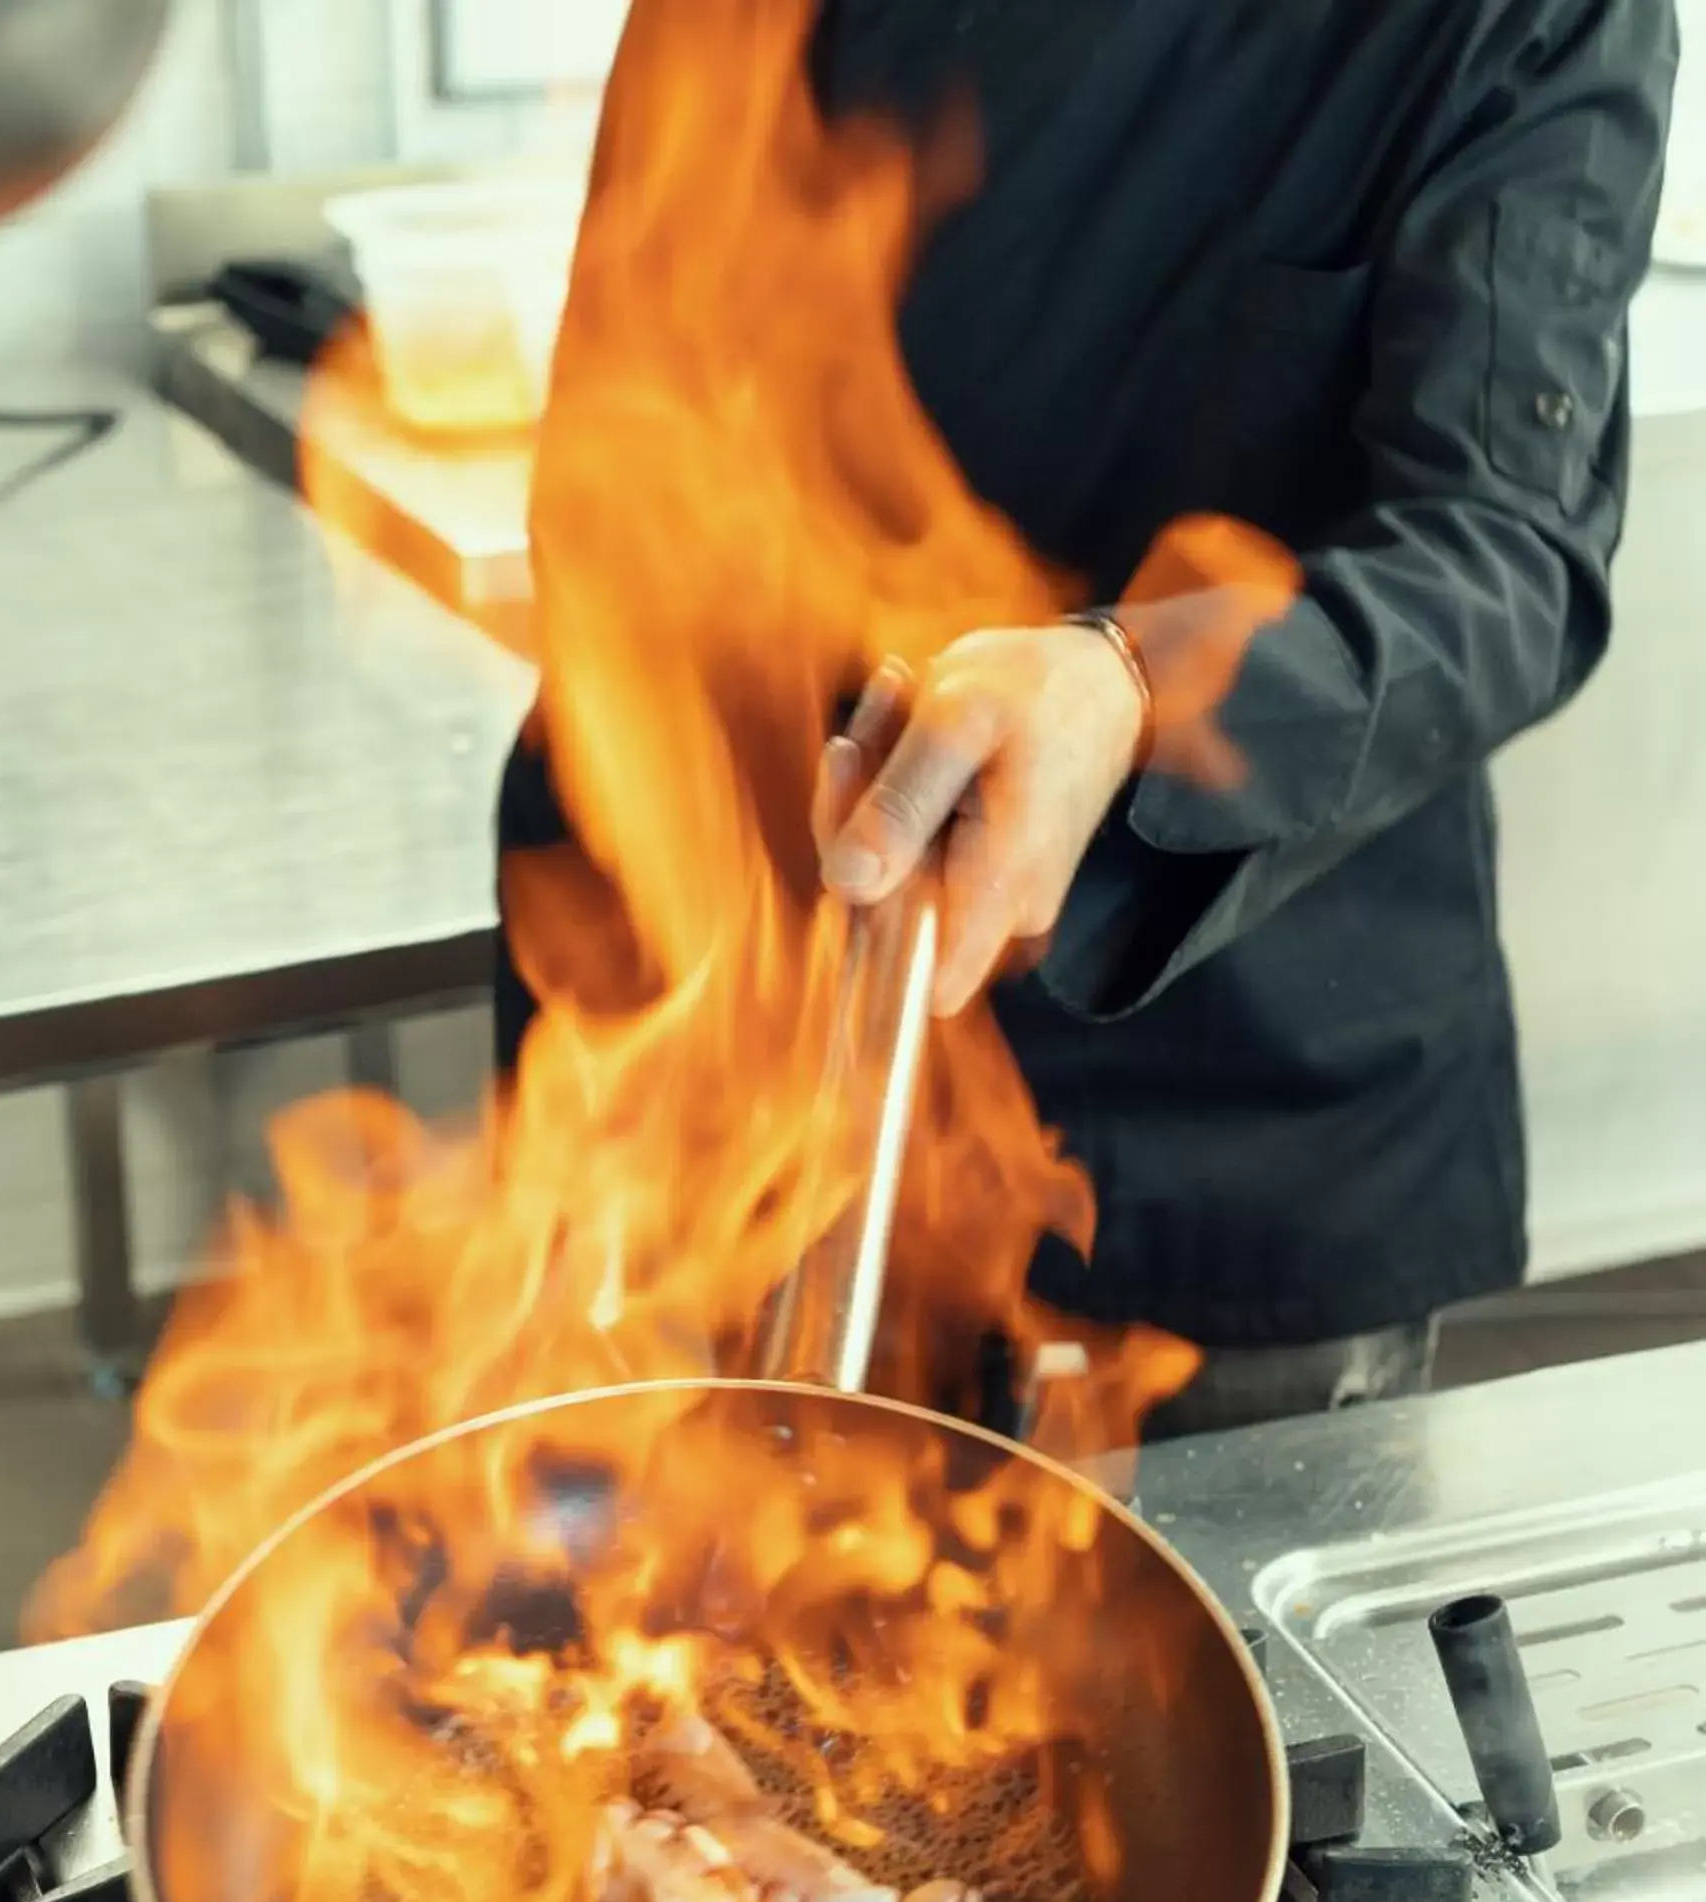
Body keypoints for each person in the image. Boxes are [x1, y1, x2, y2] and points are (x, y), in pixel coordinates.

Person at [496, 0, 1677, 1435]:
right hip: (762, 1076)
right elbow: (623, 459)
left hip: (1249, 1129)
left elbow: (1505, 549)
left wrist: (1127, 690)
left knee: (1206, 1659)